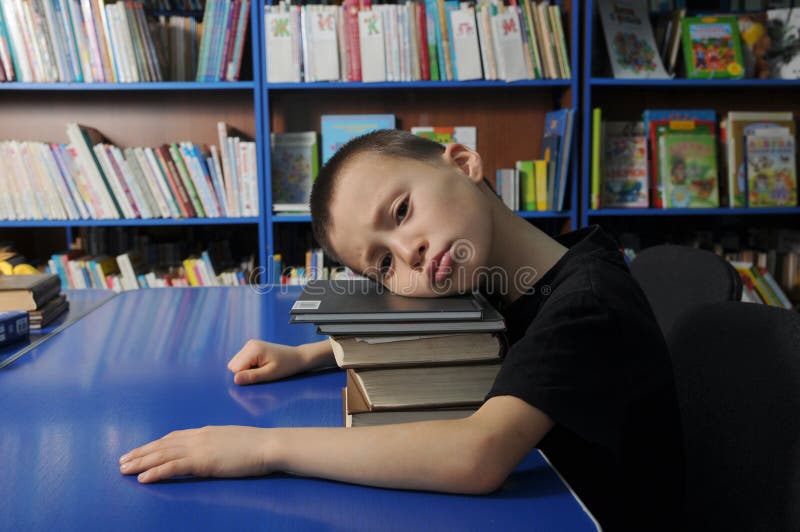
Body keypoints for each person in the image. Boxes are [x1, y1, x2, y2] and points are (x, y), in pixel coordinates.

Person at [119, 130, 684, 531]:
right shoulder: (514, 275)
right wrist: (312, 354)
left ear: (463, 163)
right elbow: (468, 334)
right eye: (383, 265)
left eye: (402, 211)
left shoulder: (587, 305)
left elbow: (477, 456)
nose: (406, 254)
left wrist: (262, 446)